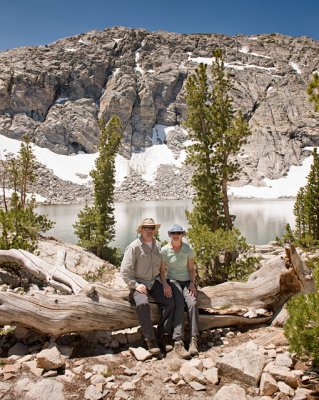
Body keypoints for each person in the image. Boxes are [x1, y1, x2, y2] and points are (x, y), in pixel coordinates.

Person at [120, 218, 175, 355]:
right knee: (143, 304)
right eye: (146, 228)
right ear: (141, 230)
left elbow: (162, 268)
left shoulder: (158, 245)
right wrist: (135, 285)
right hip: (139, 283)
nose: (149, 230)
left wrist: (165, 284)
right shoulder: (134, 247)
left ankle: (163, 335)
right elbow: (125, 271)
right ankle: (150, 339)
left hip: (154, 281)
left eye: (151, 228)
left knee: (170, 302)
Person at [160, 224, 199, 359]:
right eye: (173, 233)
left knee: (192, 304)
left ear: (182, 235)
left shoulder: (188, 249)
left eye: (178, 233)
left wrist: (193, 284)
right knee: (179, 305)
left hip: (187, 282)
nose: (175, 235)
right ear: (170, 235)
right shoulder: (165, 250)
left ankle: (193, 340)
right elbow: (162, 270)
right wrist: (165, 283)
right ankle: (178, 340)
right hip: (173, 281)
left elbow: (191, 268)